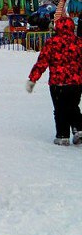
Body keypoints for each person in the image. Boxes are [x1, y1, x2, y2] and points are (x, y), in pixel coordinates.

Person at [27, 16, 82, 145]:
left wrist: (32, 79)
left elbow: (42, 62)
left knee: (60, 109)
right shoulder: (79, 42)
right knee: (73, 106)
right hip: (76, 83)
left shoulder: (52, 43)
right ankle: (79, 129)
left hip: (58, 83)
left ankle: (62, 136)